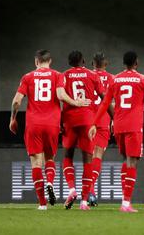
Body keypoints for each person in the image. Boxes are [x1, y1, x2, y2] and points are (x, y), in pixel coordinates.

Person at [8, 49, 89, 210]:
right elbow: (60, 95)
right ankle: (50, 183)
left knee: (36, 163)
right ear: (50, 61)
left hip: (33, 124)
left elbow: (17, 101)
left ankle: (42, 204)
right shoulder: (57, 75)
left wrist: (13, 118)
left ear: (36, 61)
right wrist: (76, 102)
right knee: (49, 158)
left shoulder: (28, 77)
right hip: (52, 124)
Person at [89, 51, 144, 213]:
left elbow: (105, 103)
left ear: (124, 63)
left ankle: (124, 201)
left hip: (119, 126)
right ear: (136, 63)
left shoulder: (116, 79)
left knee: (125, 159)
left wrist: (94, 123)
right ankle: (126, 203)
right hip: (134, 126)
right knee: (132, 162)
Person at [61, 51, 102, 210]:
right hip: (87, 119)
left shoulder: (63, 76)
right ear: (83, 61)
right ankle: (84, 202)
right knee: (88, 160)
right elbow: (102, 96)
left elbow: (59, 97)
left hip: (69, 119)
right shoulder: (92, 75)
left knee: (67, 156)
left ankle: (72, 189)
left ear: (69, 62)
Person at [87, 51, 114, 206]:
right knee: (98, 155)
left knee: (88, 156)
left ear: (92, 64)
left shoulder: (88, 76)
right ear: (106, 64)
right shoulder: (112, 78)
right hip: (103, 118)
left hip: (88, 118)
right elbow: (112, 101)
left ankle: (90, 190)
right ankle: (90, 190)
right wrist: (113, 119)